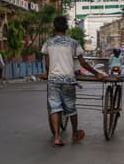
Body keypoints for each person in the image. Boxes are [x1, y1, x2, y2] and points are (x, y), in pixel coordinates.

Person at [39, 16, 105, 147]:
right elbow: (83, 63)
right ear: (66, 28)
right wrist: (97, 73)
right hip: (68, 80)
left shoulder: (48, 43)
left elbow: (47, 62)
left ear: (54, 27)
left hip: (53, 80)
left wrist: (47, 73)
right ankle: (75, 133)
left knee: (54, 108)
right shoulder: (73, 43)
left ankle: (57, 137)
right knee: (71, 108)